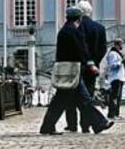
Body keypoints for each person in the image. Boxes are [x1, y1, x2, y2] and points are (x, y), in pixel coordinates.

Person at [39, 7, 114, 136]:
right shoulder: (74, 31)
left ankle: (47, 126)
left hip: (66, 70)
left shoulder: (64, 30)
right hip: (72, 71)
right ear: (79, 18)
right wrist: (91, 64)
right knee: (84, 99)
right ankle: (99, 123)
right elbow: (82, 50)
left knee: (61, 101)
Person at [65, 0, 107, 133]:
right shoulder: (100, 28)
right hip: (92, 68)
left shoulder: (76, 27)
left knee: (71, 96)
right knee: (87, 95)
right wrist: (94, 62)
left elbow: (76, 47)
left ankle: (72, 124)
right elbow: (103, 49)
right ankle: (85, 125)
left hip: (77, 66)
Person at [105, 39, 125, 119]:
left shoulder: (117, 53)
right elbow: (113, 65)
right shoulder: (113, 54)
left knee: (118, 97)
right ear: (118, 44)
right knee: (114, 96)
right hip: (115, 77)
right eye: (121, 44)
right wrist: (122, 61)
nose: (122, 46)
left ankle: (116, 113)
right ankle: (112, 114)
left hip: (119, 77)